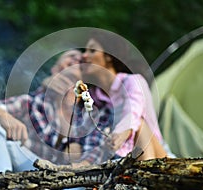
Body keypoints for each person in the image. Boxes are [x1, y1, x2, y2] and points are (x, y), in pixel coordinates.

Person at [71, 31, 175, 167]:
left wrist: (123, 132)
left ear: (108, 56)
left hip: (158, 156)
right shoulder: (93, 95)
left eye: (92, 50)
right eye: (85, 51)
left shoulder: (133, 82)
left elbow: (133, 111)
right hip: (121, 161)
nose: (85, 55)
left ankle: (146, 175)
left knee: (140, 123)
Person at [0, 50, 83, 173]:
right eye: (71, 56)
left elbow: (79, 156)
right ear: (55, 70)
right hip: (29, 166)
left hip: (62, 177)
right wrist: (2, 115)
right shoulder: (31, 103)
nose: (76, 59)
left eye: (80, 61)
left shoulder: (87, 114)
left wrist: (67, 106)